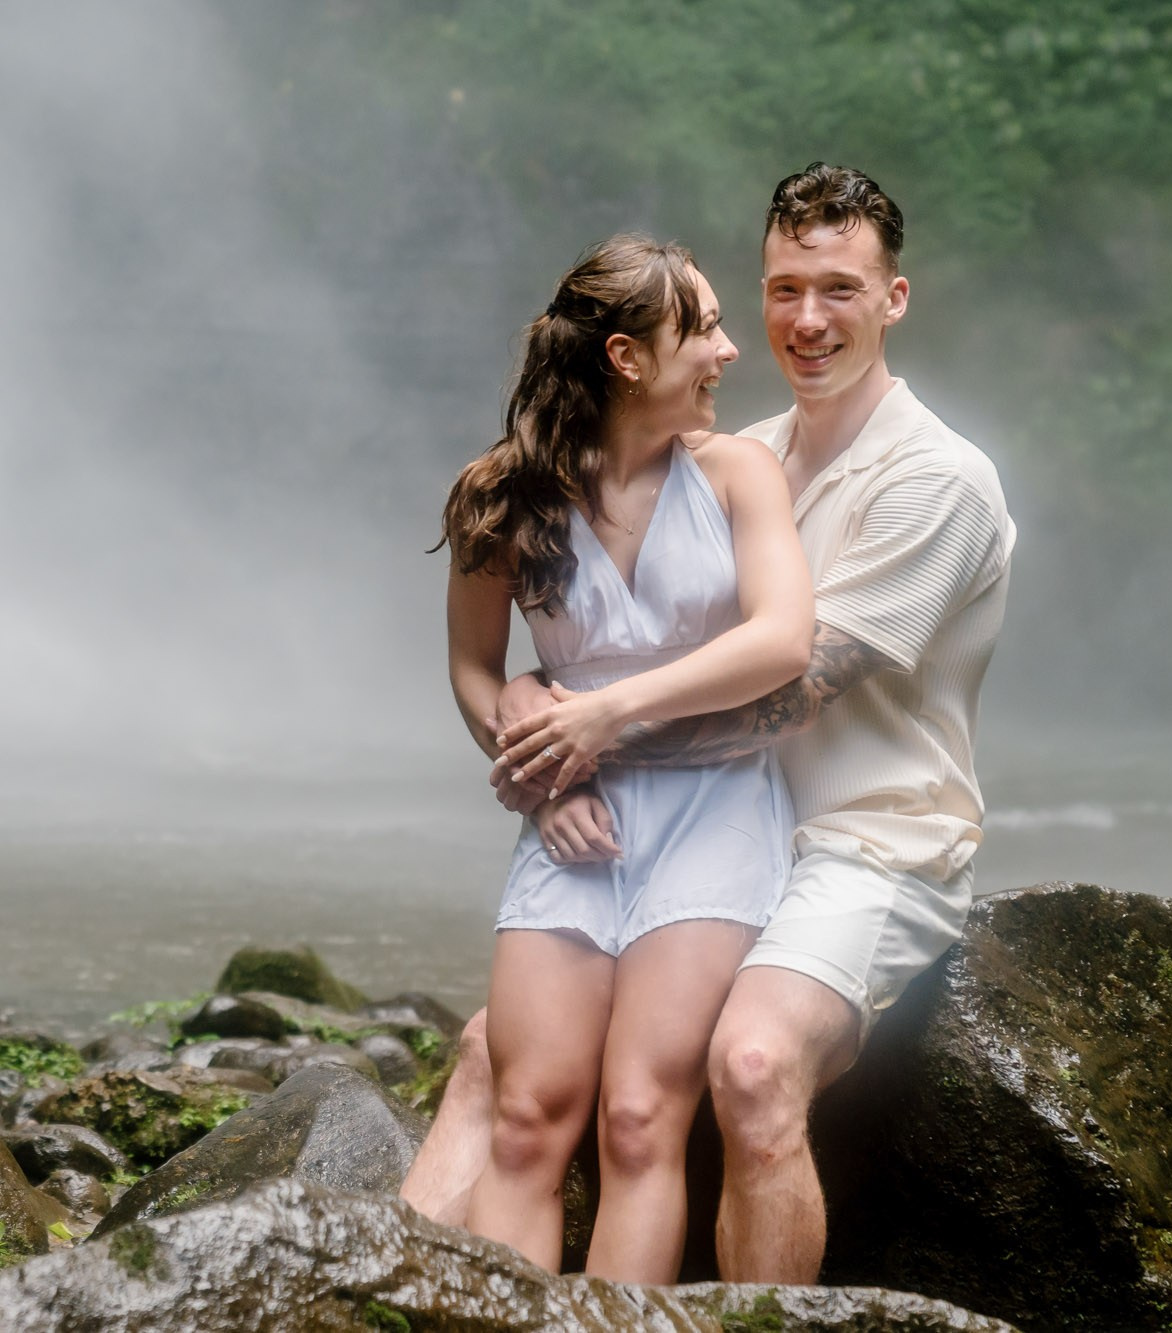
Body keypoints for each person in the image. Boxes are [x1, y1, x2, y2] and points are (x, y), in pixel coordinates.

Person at [405, 163, 1016, 1286]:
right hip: (718, 816)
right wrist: (528, 708)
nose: (796, 322)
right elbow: (568, 619)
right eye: (780, 288)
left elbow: (782, 685)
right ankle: (394, 1294)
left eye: (836, 289)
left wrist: (564, 731)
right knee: (500, 1051)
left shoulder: (935, 481)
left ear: (893, 299)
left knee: (737, 1064)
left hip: (856, 836)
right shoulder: (737, 442)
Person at [438, 232, 813, 1284]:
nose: (731, 350)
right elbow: (473, 668)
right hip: (571, 819)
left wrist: (602, 718)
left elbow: (780, 640)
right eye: (702, 327)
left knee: (640, 1115)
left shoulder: (737, 471)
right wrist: (528, 755)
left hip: (714, 811)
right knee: (525, 1113)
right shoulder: (498, 493)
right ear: (625, 358)